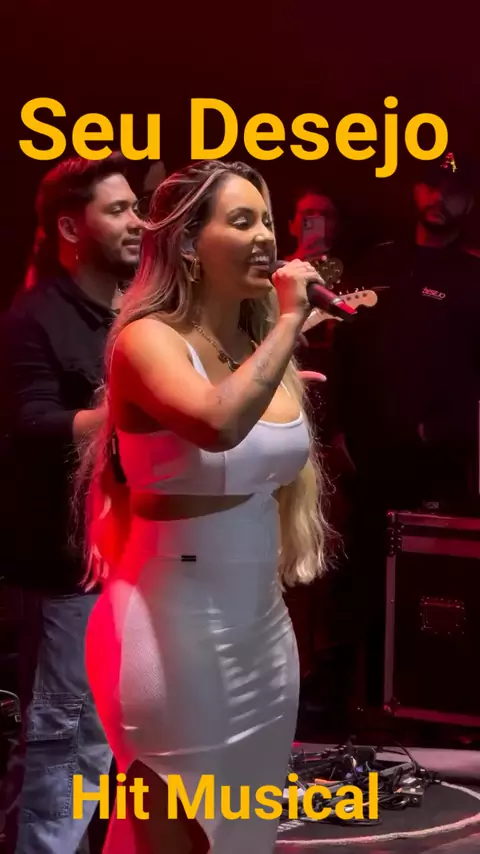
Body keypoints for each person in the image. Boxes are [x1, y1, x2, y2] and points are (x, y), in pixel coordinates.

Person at [77, 159, 331, 853]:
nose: (266, 238)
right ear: (189, 243)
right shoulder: (145, 339)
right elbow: (216, 424)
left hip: (261, 625)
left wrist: (277, 350)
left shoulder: (252, 345)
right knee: (173, 836)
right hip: (172, 627)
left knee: (245, 836)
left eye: (268, 221)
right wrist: (290, 322)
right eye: (242, 221)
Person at [0, 151, 144, 853]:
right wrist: (139, 407)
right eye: (118, 210)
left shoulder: (140, 312)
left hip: (139, 561)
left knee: (113, 742)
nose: (138, 222)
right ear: (69, 226)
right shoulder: (35, 318)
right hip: (69, 569)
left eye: (136, 207)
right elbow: (31, 423)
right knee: (65, 744)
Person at [330, 151, 480, 707]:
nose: (441, 199)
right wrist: (335, 431)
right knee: (354, 582)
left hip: (438, 466)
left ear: (470, 202)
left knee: (428, 587)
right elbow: (342, 350)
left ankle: (426, 703)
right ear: (416, 191)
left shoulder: (473, 277)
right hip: (365, 459)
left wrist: (441, 431)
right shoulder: (377, 263)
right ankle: (339, 702)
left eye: (455, 191)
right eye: (432, 186)